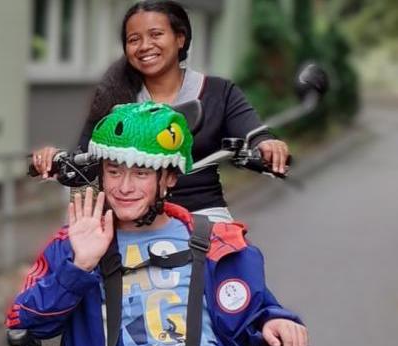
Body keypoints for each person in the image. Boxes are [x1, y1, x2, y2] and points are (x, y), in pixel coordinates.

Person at [8, 102, 309, 346]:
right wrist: (80, 265)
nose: (124, 186)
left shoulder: (217, 241)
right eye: (114, 171)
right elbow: (27, 320)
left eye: (140, 173)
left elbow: (256, 307)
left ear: (168, 178)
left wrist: (277, 321)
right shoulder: (77, 240)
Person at [31, 0, 290, 222]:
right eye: (134, 39)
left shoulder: (219, 92)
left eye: (156, 34)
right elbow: (84, 157)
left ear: (180, 38)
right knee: (79, 261)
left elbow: (254, 133)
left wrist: (267, 145)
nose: (145, 45)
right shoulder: (115, 97)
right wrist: (53, 159)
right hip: (130, 218)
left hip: (202, 215)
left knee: (239, 261)